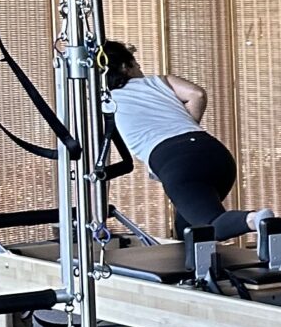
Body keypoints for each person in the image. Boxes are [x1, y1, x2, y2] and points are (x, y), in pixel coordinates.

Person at [101, 42, 269, 241]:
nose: (140, 69)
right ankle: (201, 261)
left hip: (177, 164)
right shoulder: (159, 82)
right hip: (215, 153)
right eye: (136, 64)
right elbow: (197, 94)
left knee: (211, 224)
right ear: (124, 67)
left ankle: (257, 220)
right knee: (187, 228)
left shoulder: (105, 101)